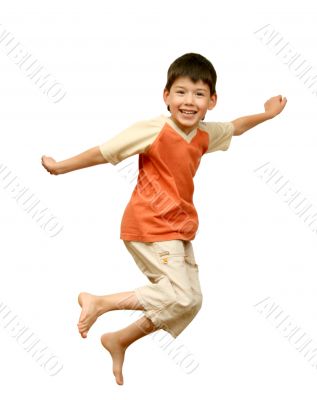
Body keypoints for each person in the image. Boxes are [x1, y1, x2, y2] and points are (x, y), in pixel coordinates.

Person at [41, 53, 287, 385]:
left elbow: (236, 127)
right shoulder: (154, 129)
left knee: (191, 301)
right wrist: (60, 166)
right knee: (180, 295)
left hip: (179, 228)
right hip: (150, 224)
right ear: (166, 96)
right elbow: (105, 151)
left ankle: (120, 339)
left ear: (211, 101)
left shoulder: (203, 134)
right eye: (182, 92)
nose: (189, 101)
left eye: (199, 94)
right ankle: (99, 302)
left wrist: (268, 114)